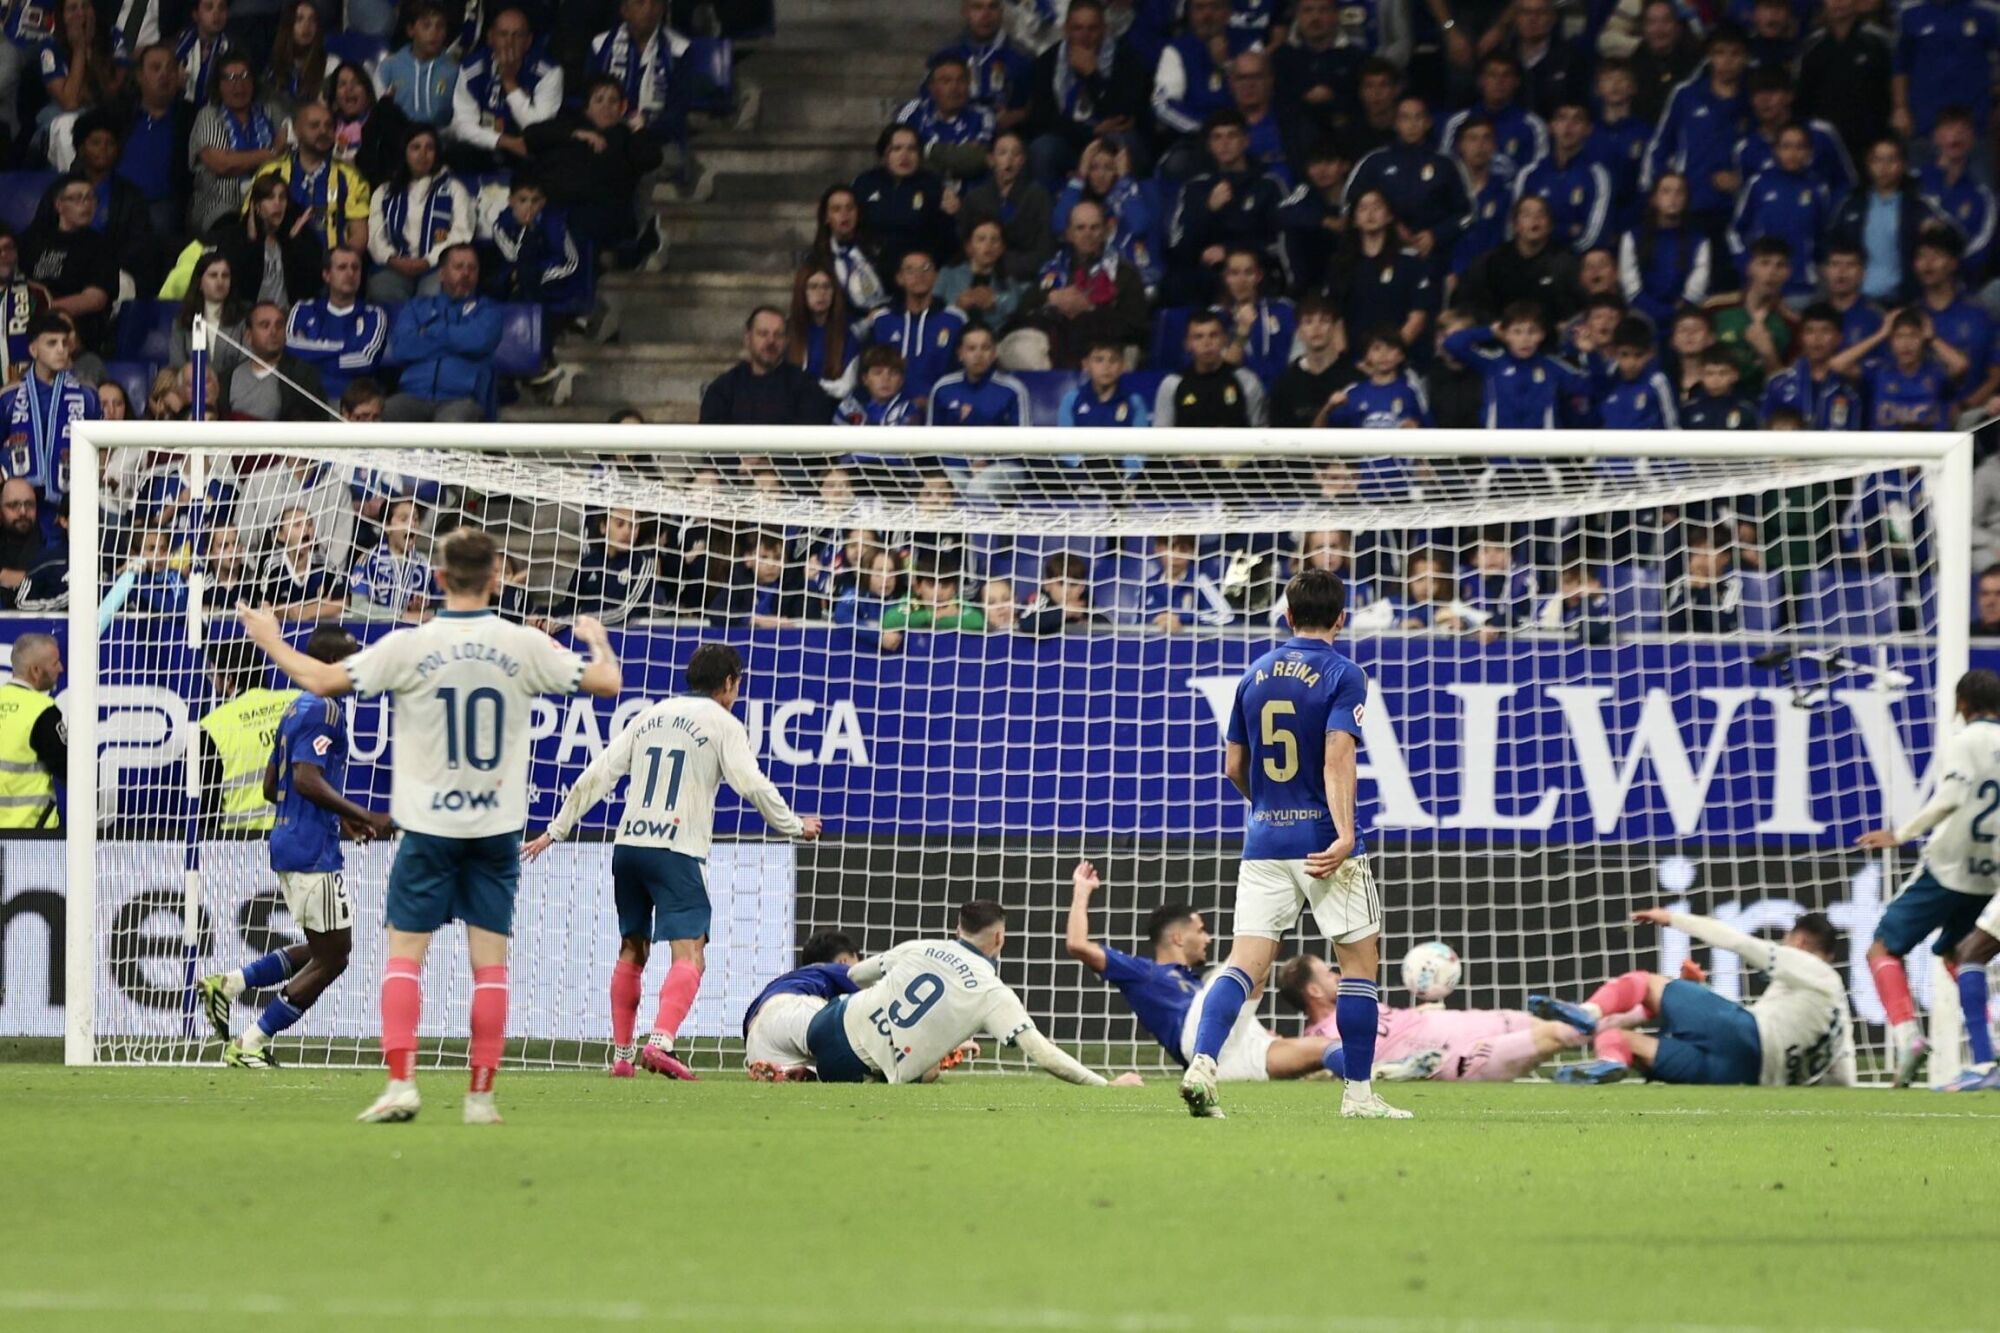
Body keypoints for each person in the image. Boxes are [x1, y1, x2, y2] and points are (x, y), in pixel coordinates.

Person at [240, 526, 622, 1124]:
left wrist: (268, 637)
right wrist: (597, 642)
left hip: (429, 829)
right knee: (489, 962)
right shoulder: (522, 643)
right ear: (495, 576)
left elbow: (319, 679)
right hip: (496, 830)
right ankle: (479, 1098)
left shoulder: (410, 645)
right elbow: (608, 683)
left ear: (438, 579)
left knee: (404, 956)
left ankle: (401, 1086)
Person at [526, 643, 822, 1079]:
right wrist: (794, 825)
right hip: (675, 849)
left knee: (632, 947)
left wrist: (557, 829)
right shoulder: (723, 724)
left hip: (627, 847)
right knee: (691, 952)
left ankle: (622, 1057)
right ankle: (661, 1041)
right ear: (728, 683)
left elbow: (598, 774)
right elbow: (752, 784)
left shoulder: (649, 715)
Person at [1178, 567, 1406, 1119]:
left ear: (1286, 616)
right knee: (1358, 967)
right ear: (1341, 619)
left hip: (1263, 840)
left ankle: (1204, 1064)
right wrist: (1345, 832)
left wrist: (1265, 808)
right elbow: (1337, 757)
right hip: (1323, 843)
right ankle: (1357, 1096)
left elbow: (1233, 764)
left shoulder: (1253, 675)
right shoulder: (1344, 672)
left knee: (1242, 965)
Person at [197, 625, 392, 1068]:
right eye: (350, 661)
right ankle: (252, 1040)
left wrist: (334, 813)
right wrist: (362, 814)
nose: (357, 669)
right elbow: (304, 779)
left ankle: (229, 984)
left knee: (326, 948)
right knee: (335, 957)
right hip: (311, 852)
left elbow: (273, 786)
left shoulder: (295, 708)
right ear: (330, 665)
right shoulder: (325, 709)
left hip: (291, 843)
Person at [1066, 861, 1432, 1083]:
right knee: (1243, 963)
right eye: (1200, 930)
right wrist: (1082, 892)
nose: (1206, 938)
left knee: (1323, 1049)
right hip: (1196, 1039)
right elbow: (1078, 945)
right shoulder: (1145, 973)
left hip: (1233, 1060)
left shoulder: (1195, 982)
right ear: (1177, 937)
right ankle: (1289, 894)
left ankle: (1375, 1072)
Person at [803, 899, 1141, 1087]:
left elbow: (855, 974)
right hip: (853, 1064)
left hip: (825, 1023)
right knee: (918, 1072)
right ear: (999, 939)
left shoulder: (920, 946)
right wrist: (1106, 1086)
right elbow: (1043, 1054)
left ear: (957, 929)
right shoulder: (992, 992)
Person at [1850, 669, 2000, 1086]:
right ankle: (1990, 1048)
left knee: (1882, 947)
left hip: (1948, 864)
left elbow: (1951, 798)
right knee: (1961, 954)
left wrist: (1900, 834)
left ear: (1963, 704)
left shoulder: (1966, 741)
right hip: (1989, 873)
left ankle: (1907, 1035)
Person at [1530, 907, 1854, 1088]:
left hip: (1746, 1035)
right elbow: (1842, 1072)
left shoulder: (1811, 967)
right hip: (1746, 1077)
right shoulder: (1837, 1008)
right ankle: (1611, 1063)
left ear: (1798, 943)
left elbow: (1739, 943)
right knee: (1618, 1038)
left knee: (1644, 982)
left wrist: (1674, 919)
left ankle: (1589, 1011)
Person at [1278, 953, 1582, 1082]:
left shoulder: (1356, 1005)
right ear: (1314, 991)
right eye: (1328, 974)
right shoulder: (1318, 1044)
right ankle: (1620, 1032)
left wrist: (1418, 1012)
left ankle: (1617, 1044)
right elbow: (1324, 1073)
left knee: (1572, 1024)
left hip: (1463, 1022)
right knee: (1558, 1033)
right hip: (1455, 1057)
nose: (1337, 975)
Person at [1009, 198, 1150, 369]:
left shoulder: (1124, 272)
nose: (1088, 234)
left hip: (1104, 349)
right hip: (1057, 348)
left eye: (1094, 227)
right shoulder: (1053, 269)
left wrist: (1090, 310)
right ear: (1069, 233)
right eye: (1080, 228)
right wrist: (1051, 297)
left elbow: (1138, 328)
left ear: (1105, 231)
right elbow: (1022, 310)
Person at [1022, 0, 1146, 189]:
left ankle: (1124, 202)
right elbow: (1040, 120)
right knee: (1042, 149)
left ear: (1104, 29)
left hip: (1109, 142)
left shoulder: (1126, 59)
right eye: (1077, 28)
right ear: (1066, 30)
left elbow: (1122, 116)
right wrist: (1090, 131)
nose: (1085, 36)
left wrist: (1092, 76)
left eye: (1092, 29)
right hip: (1067, 142)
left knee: (1128, 141)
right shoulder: (1047, 62)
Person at [1642, 24, 1750, 229]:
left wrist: (1741, 181)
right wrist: (1660, 192)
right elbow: (1660, 146)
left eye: (1735, 53)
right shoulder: (1686, 95)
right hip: (1690, 206)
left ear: (1746, 58)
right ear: (1709, 57)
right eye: (1720, 53)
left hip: (1736, 210)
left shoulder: (1754, 101)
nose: (1727, 61)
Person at [384, 244, 501, 422]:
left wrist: (431, 332)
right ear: (441, 273)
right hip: (412, 395)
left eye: (472, 268)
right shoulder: (416, 307)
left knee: (447, 431)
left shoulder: (487, 310)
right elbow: (402, 348)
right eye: (458, 267)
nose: (466, 273)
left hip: (461, 399)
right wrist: (458, 341)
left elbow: (479, 341)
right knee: (381, 416)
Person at [0, 315, 96, 517]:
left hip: (70, 503)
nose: (61, 349)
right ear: (33, 350)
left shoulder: (86, 395)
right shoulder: (9, 397)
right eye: (52, 343)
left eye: (64, 343)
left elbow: (102, 450)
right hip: (19, 505)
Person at [367, 125, 473, 303]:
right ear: (404, 153)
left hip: (438, 265)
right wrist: (393, 259)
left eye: (429, 148)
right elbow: (375, 235)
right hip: (395, 266)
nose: (423, 154)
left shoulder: (454, 189)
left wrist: (428, 260)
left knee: (433, 294)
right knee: (381, 290)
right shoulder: (384, 192)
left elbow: (461, 233)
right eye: (416, 147)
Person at [449, 7, 561, 172]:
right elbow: (462, 125)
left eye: (518, 35)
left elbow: (538, 130)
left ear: (528, 41)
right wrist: (504, 141)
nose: (509, 41)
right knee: (457, 153)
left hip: (526, 148)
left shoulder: (548, 72)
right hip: (487, 142)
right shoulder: (472, 68)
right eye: (503, 34)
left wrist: (509, 83)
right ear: (490, 37)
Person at [251, 99, 370, 252]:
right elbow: (251, 223)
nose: (323, 131)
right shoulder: (270, 171)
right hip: (280, 264)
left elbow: (359, 236)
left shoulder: (350, 176)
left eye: (328, 126)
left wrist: (336, 263)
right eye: (314, 126)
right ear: (296, 130)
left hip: (329, 267)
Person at [741, 931, 863, 1081]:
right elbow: (875, 999)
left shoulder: (787, 979)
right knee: (862, 1041)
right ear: (844, 960)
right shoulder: (839, 970)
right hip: (794, 1010)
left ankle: (789, 1071)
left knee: (819, 1069)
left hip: (757, 1043)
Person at [187, 52, 286, 233]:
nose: (238, 85)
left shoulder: (272, 111)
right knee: (233, 230)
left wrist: (240, 160)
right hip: (219, 204)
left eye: (245, 77)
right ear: (219, 85)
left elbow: (288, 152)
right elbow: (223, 164)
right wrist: (270, 153)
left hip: (270, 201)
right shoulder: (210, 115)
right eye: (230, 78)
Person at [21, 175, 117, 351]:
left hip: (75, 327)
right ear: (59, 205)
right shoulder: (32, 239)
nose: (86, 204)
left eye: (90, 198)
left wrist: (43, 310)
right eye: (77, 198)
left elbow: (94, 299)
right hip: (25, 319)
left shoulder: (100, 245)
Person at [699, 306, 835, 426]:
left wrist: (768, 456)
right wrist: (740, 456)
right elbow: (707, 443)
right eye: (763, 334)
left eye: (778, 335)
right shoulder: (723, 388)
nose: (771, 341)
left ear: (786, 341)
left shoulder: (806, 387)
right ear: (748, 339)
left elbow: (813, 441)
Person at [285, 247, 388, 403]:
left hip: (350, 401)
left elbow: (367, 360)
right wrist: (342, 347)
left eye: (355, 267)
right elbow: (289, 350)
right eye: (342, 267)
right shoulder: (303, 309)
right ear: (326, 275)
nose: (350, 273)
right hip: (303, 395)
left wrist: (313, 354)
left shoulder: (374, 315)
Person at [954, 129, 1053, 281]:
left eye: (1016, 154)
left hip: (1024, 278)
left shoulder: (1038, 196)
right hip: (978, 275)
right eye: (1002, 153)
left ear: (1022, 160)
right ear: (991, 159)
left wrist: (1006, 268)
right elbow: (963, 244)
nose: (1009, 159)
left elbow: (1044, 250)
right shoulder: (975, 198)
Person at [1618, 172, 1710, 328]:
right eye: (1666, 191)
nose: (1673, 198)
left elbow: (1696, 290)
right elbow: (1631, 288)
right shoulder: (1632, 237)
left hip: (1683, 317)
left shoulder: (1700, 241)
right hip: (1641, 316)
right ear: (1654, 198)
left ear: (1686, 199)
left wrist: (1677, 312)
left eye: (1679, 192)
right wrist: (1661, 312)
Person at [1152, 310, 1266, 427]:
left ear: (1224, 340)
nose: (1207, 343)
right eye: (1198, 337)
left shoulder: (1245, 380)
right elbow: (1161, 437)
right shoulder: (1172, 384)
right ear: (1187, 344)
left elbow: (1261, 434)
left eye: (1213, 335)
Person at [0, 632, 66, 830]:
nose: (61, 668)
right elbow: (69, 769)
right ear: (36, 671)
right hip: (30, 836)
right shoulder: (41, 711)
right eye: (55, 663)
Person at [377, 0, 461, 129]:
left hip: (443, 143)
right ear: (411, 30)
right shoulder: (388, 66)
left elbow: (461, 119)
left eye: (440, 26)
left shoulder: (456, 69)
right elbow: (376, 114)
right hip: (398, 142)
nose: (434, 33)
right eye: (426, 26)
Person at [349, 496, 431, 621]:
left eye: (416, 519)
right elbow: (358, 608)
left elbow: (433, 612)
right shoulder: (367, 561)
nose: (412, 524)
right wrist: (401, 616)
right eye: (404, 519)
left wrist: (418, 610)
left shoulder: (424, 565)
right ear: (387, 526)